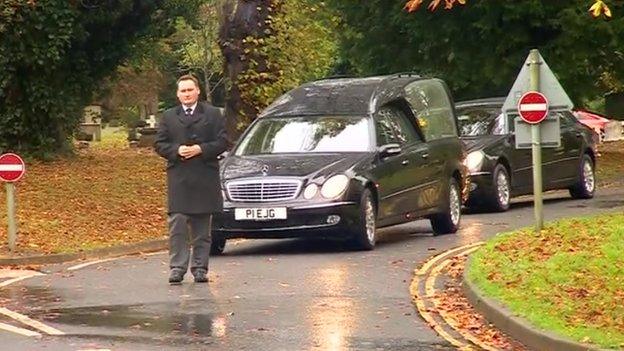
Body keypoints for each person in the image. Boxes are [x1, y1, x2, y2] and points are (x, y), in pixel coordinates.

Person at [154, 74, 227, 284]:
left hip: (204, 175)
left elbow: (223, 141)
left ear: (197, 92)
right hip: (179, 177)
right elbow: (160, 143)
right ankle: (177, 267)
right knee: (177, 224)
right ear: (178, 94)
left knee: (202, 227)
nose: (186, 94)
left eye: (189, 90)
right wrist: (177, 150)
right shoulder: (168, 116)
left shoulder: (213, 114)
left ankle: (200, 268)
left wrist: (200, 149)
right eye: (182, 91)